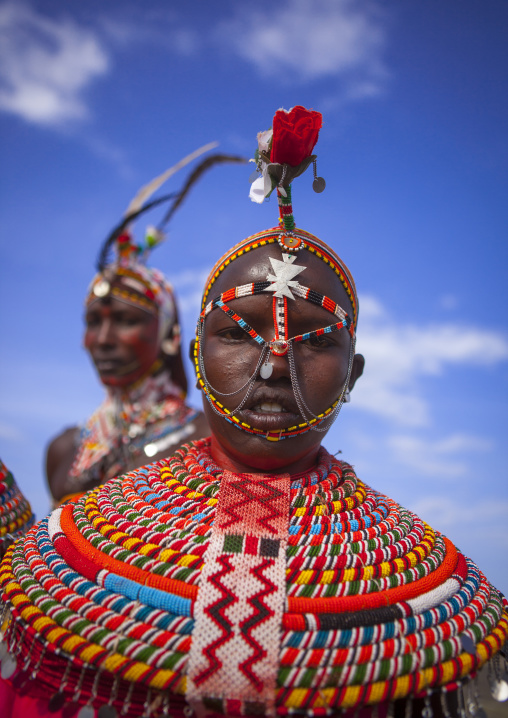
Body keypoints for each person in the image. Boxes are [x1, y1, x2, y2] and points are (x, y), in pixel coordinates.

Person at [1, 107, 507, 717]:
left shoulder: (435, 584)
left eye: (317, 342)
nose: (273, 367)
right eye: (238, 334)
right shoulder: (63, 542)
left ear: (355, 374)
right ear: (194, 352)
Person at [45, 148, 245, 505]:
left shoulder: (208, 442)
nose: (103, 340)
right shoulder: (63, 451)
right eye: (93, 322)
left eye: (126, 320)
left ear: (169, 334)